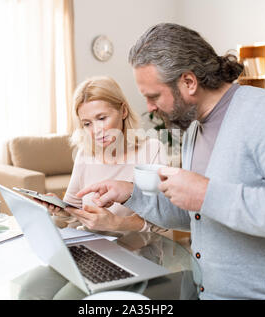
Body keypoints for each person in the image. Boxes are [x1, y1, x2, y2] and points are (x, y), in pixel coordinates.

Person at [76, 23, 265, 299]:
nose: (149, 108)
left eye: (154, 96)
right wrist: (131, 192)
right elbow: (198, 213)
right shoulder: (196, 127)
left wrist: (207, 193)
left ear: (188, 82)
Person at [36, 75, 168, 234]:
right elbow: (74, 208)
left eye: (102, 118)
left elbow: (164, 219)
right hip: (94, 249)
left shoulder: (152, 150)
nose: (96, 130)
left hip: (139, 251)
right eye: (87, 123)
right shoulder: (85, 154)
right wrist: (61, 209)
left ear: (123, 111)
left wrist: (117, 223)